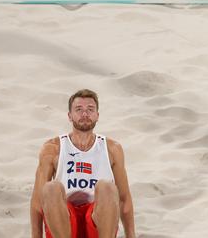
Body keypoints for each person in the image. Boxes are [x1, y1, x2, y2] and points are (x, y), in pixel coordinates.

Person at [30, 89, 136, 238]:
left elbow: (125, 200)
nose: (85, 114)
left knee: (106, 187)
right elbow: (37, 202)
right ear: (69, 116)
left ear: (97, 115)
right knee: (51, 188)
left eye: (90, 109)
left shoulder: (112, 148)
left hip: (97, 220)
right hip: (63, 221)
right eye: (79, 109)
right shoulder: (53, 148)